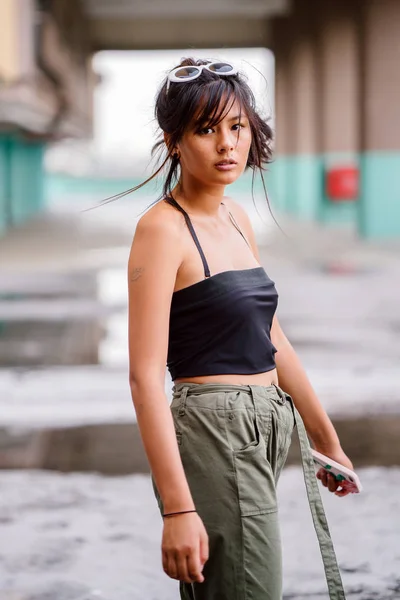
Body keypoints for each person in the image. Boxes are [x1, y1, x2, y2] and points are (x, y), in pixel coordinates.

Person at [127, 57, 352, 600]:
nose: (227, 144)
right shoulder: (162, 230)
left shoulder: (234, 217)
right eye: (206, 130)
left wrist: (326, 439)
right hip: (214, 431)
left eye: (237, 127)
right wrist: (178, 509)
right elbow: (142, 379)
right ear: (174, 141)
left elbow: (272, 337)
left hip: (264, 428)